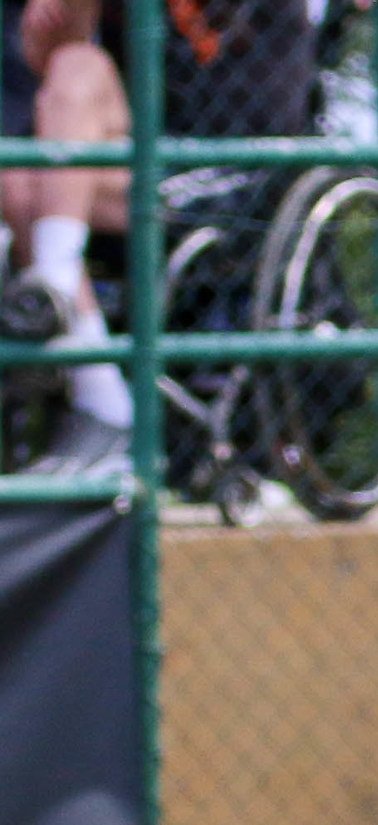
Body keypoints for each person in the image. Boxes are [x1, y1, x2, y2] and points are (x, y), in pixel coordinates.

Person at [0, 0, 313, 475]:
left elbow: (257, 117)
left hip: (230, 168)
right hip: (130, 167)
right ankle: (90, 368)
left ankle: (67, 323)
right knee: (32, 142)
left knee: (34, 178)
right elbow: (54, 82)